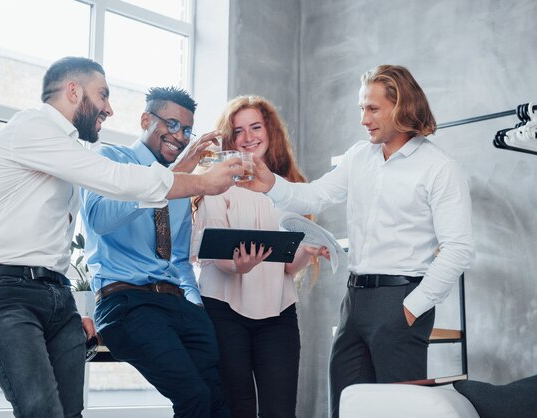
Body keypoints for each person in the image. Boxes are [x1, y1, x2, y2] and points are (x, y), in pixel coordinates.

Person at [0, 57, 242, 418]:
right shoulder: (34, 128)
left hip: (52, 293)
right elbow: (115, 184)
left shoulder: (68, 155)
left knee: (71, 411)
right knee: (42, 408)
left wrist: (70, 307)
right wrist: (202, 182)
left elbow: (48, 248)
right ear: (73, 90)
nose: (109, 107)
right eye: (102, 95)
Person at [238, 65, 474, 418]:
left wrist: (412, 308)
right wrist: (270, 184)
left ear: (402, 106)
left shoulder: (439, 168)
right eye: (361, 109)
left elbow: (458, 249)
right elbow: (315, 196)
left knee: (398, 412)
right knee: (346, 406)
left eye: (373, 108)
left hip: (401, 300)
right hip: (354, 301)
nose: (364, 119)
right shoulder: (358, 157)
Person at [80, 86, 231, 418]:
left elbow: (178, 259)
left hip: (177, 304)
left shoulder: (181, 185)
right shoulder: (109, 160)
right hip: (127, 303)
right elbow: (100, 220)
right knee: (192, 397)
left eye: (187, 129)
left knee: (219, 402)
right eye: (172, 124)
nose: (179, 136)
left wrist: (195, 306)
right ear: (146, 119)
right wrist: (166, 179)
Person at [191, 95, 329, 418]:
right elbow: (212, 250)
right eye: (238, 131)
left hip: (277, 312)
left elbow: (287, 267)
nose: (248, 137)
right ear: (229, 137)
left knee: (280, 411)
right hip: (223, 310)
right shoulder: (217, 182)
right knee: (237, 408)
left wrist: (308, 251)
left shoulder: (288, 188)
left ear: (271, 132)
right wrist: (236, 265)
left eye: (256, 127)